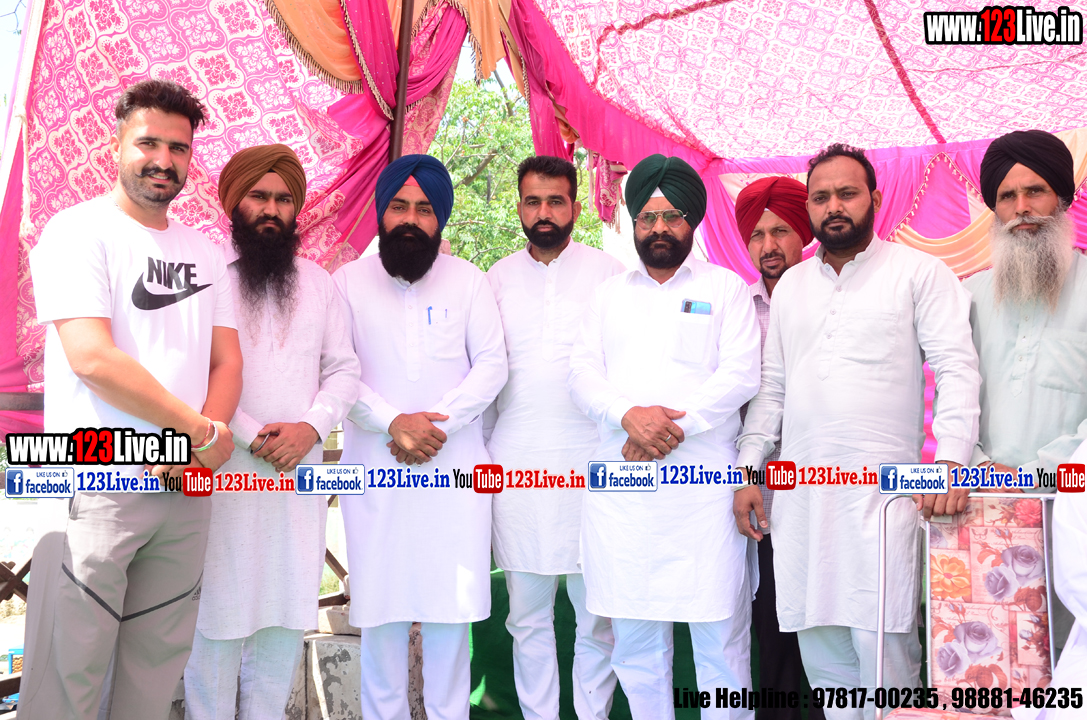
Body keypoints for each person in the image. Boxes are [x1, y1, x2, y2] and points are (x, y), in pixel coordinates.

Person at [734, 143, 981, 720]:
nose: (834, 206)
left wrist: (951, 462)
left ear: (875, 197)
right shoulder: (792, 286)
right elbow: (773, 389)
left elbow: (956, 368)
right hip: (803, 502)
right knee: (826, 665)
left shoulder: (919, 272)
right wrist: (747, 471)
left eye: (847, 193)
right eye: (821, 197)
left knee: (886, 662)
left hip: (883, 502)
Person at [23, 79, 242, 720]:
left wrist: (203, 446)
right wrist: (197, 434)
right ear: (117, 144)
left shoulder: (204, 251)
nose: (163, 160)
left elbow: (226, 361)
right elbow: (92, 358)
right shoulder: (76, 232)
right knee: (68, 671)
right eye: (149, 143)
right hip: (97, 478)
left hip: (186, 489)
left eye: (179, 148)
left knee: (155, 670)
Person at [568, 154, 762, 720]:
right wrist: (628, 416)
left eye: (672, 216)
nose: (659, 228)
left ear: (692, 220)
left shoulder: (725, 289)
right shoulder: (607, 295)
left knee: (721, 643)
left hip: (703, 497)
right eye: (647, 217)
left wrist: (671, 427)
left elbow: (741, 374)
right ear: (633, 223)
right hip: (624, 495)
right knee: (635, 648)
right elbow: (581, 374)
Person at [182, 145, 360, 719]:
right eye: (258, 196)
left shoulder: (319, 284)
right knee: (216, 623)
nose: (271, 209)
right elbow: (193, 372)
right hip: (225, 473)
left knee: (284, 619)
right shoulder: (207, 280)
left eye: (284, 199)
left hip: (296, 482)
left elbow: (343, 369)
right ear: (235, 204)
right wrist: (256, 436)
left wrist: (311, 427)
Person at [333, 154, 508, 720]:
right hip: (375, 473)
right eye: (399, 206)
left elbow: (492, 366)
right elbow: (337, 370)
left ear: (441, 218)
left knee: (449, 618)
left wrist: (434, 425)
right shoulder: (346, 283)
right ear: (381, 212)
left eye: (425, 209)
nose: (410, 219)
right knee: (380, 616)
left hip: (453, 474)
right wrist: (392, 423)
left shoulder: (469, 280)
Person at [486, 155, 624, 720]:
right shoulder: (494, 279)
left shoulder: (609, 275)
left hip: (593, 466)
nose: (544, 212)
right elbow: (488, 384)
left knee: (597, 617)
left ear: (575, 207)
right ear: (519, 206)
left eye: (555, 201)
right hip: (515, 467)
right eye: (533, 201)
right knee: (526, 617)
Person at [733, 176, 821, 720]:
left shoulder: (826, 299)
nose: (769, 246)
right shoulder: (737, 307)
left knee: (826, 624)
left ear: (803, 234)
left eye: (781, 231)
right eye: (758, 234)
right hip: (759, 493)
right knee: (770, 622)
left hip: (822, 485)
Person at [967, 129, 1087, 483]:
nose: (1021, 207)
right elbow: (953, 396)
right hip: (981, 493)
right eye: (1007, 196)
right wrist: (981, 469)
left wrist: (1034, 477)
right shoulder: (968, 295)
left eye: (1035, 191)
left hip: (1072, 498)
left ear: (1061, 199)